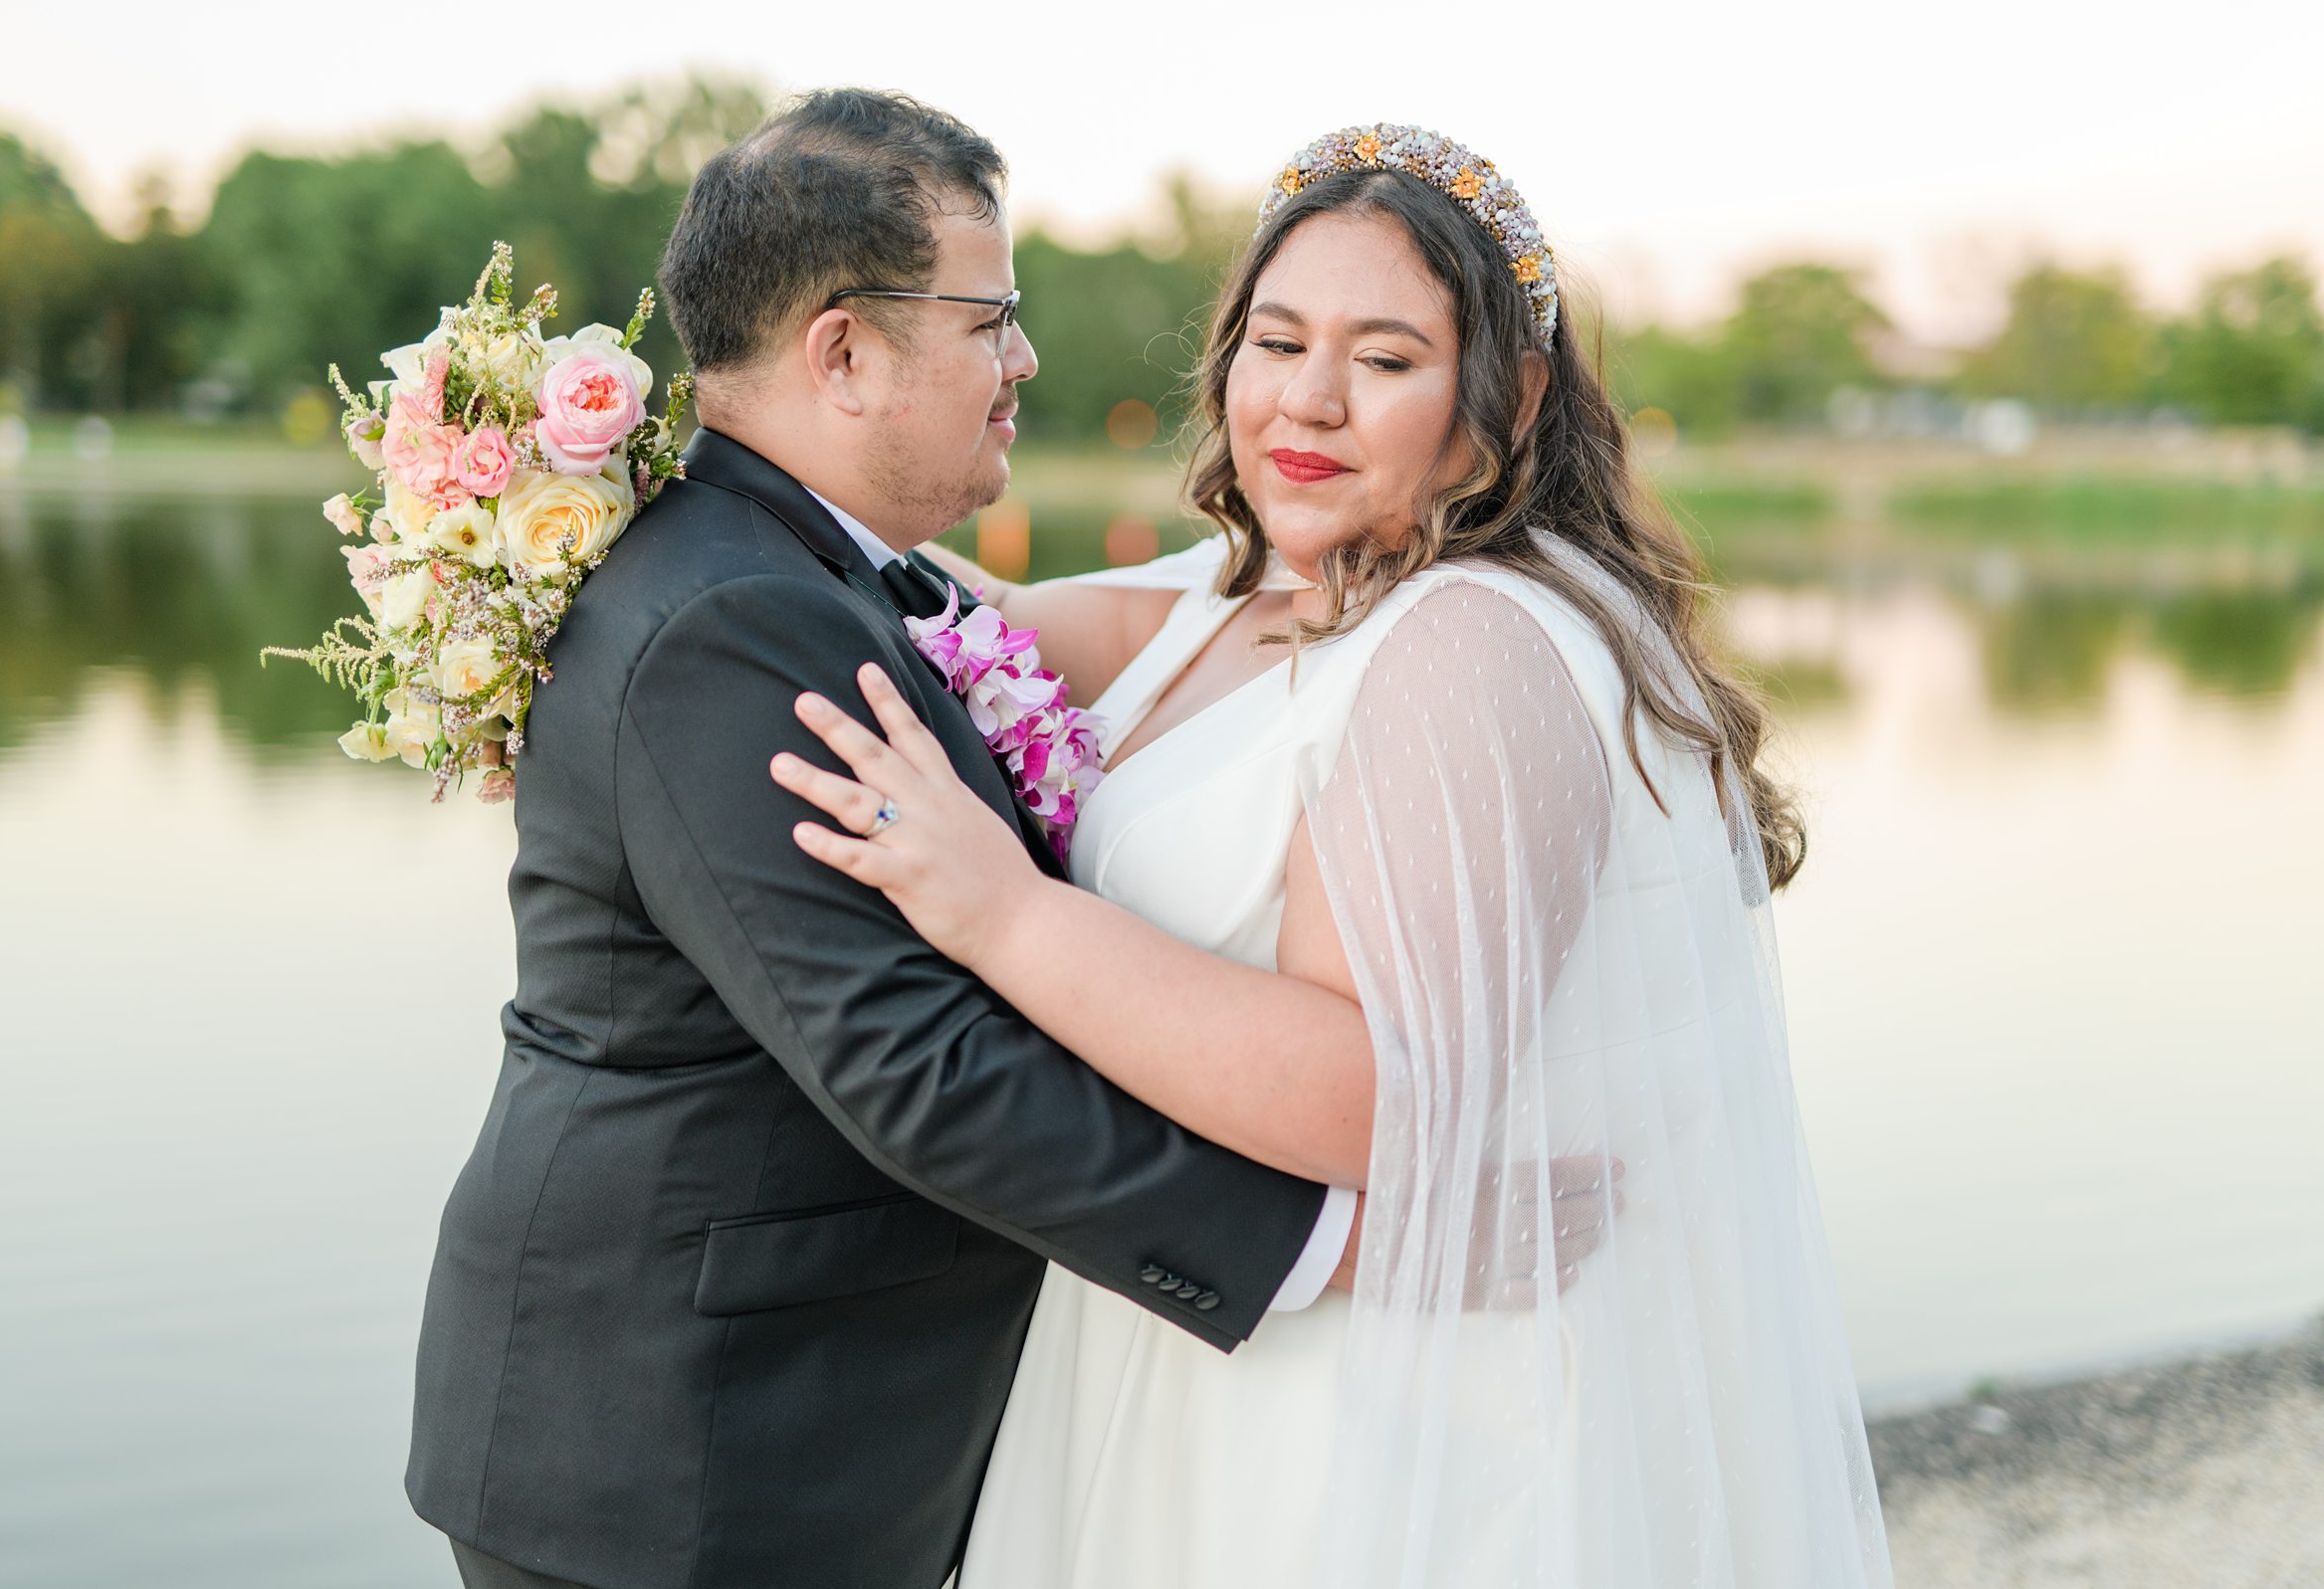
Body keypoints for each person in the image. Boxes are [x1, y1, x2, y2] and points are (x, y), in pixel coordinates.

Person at [776, 124, 1898, 1587]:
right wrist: (558, 498)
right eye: (1277, 339)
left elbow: (1373, 1095)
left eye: (1383, 359)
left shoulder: (1474, 644)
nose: (1307, 398)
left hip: (1371, 1415)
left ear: (1509, 398)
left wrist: (1000, 916)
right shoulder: (1237, 596)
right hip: (1198, 1352)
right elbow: (922, 606)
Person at [403, 91, 1396, 1589]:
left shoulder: (809, 573)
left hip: (765, 1428)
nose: (1024, 360)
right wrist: (1325, 1241)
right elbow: (912, 1061)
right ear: (844, 350)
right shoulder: (733, 618)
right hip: (678, 1463)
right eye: (991, 318)